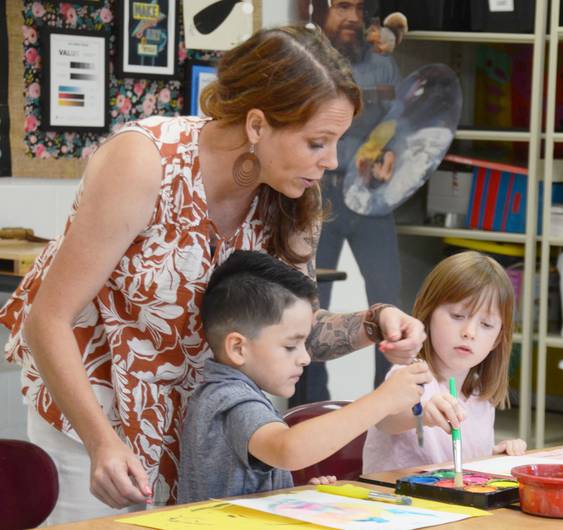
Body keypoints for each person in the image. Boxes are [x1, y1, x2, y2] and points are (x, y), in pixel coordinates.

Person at [0, 26, 425, 524]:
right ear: (257, 125)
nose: (331, 162)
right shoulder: (145, 161)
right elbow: (47, 319)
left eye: (336, 143)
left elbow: (295, 331)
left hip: (202, 423)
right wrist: (101, 442)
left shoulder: (293, 200)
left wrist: (375, 323)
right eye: (317, 142)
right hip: (94, 411)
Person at [177, 250, 430, 503]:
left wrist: (294, 494)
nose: (306, 358)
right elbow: (287, 448)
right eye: (290, 346)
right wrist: (383, 400)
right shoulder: (231, 399)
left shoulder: (227, 392)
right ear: (238, 348)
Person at [291, 0, 405, 406]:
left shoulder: (383, 64)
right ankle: (312, 409)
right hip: (320, 191)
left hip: (373, 196)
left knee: (390, 301)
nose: (353, 18)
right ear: (318, 10)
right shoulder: (304, 63)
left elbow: (397, 123)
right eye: (342, 6)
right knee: (311, 304)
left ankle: (388, 407)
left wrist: (391, 152)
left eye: (358, 8)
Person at [362, 251, 528, 474]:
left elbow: (462, 466)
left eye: (486, 325)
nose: (469, 332)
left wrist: (495, 458)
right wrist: (422, 415)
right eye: (458, 316)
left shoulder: (480, 396)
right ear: (427, 313)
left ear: (498, 338)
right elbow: (385, 419)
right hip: (397, 503)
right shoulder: (409, 376)